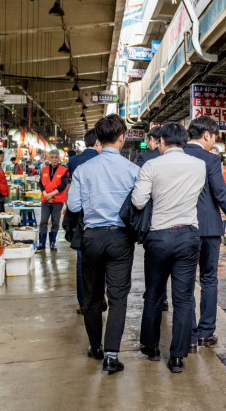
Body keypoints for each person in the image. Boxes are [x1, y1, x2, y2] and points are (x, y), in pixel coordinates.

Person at [67, 114, 139, 374]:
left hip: (92, 238)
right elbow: (140, 204)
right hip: (120, 238)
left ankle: (95, 347)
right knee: (118, 297)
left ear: (98, 140)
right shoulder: (133, 171)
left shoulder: (83, 170)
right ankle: (111, 354)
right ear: (122, 138)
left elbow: (74, 205)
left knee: (93, 296)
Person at [132, 123, 206, 373]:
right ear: (185, 141)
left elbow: (138, 202)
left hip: (159, 237)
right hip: (188, 236)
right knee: (184, 298)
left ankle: (151, 347)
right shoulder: (200, 165)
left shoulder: (152, 165)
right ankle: (177, 356)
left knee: (154, 294)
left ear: (161, 140)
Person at [185, 116, 226, 350]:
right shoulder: (210, 160)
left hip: (182, 227)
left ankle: (189, 334)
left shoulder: (177, 156)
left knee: (184, 281)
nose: (214, 141)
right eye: (214, 136)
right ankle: (205, 332)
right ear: (206, 135)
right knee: (208, 279)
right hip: (209, 229)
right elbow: (220, 194)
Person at [67, 129, 103, 315]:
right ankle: (100, 296)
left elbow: (72, 198)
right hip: (102, 215)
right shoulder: (104, 162)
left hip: (80, 219)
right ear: (98, 142)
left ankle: (84, 302)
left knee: (83, 262)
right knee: (103, 261)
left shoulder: (73, 162)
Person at [134, 125, 168, 311]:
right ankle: (164, 298)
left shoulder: (145, 158)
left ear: (154, 140)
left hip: (152, 218)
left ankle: (153, 296)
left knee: (153, 261)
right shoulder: (179, 159)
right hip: (177, 219)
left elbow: (139, 190)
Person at [38, 150, 69, 251]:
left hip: (57, 201)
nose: (54, 159)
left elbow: (63, 184)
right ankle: (42, 244)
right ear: (49, 159)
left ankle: (52, 243)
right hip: (45, 200)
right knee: (43, 222)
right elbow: (40, 183)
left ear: (59, 158)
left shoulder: (64, 170)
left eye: (56, 157)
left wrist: (51, 194)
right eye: (52, 157)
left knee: (55, 222)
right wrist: (45, 194)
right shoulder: (44, 169)